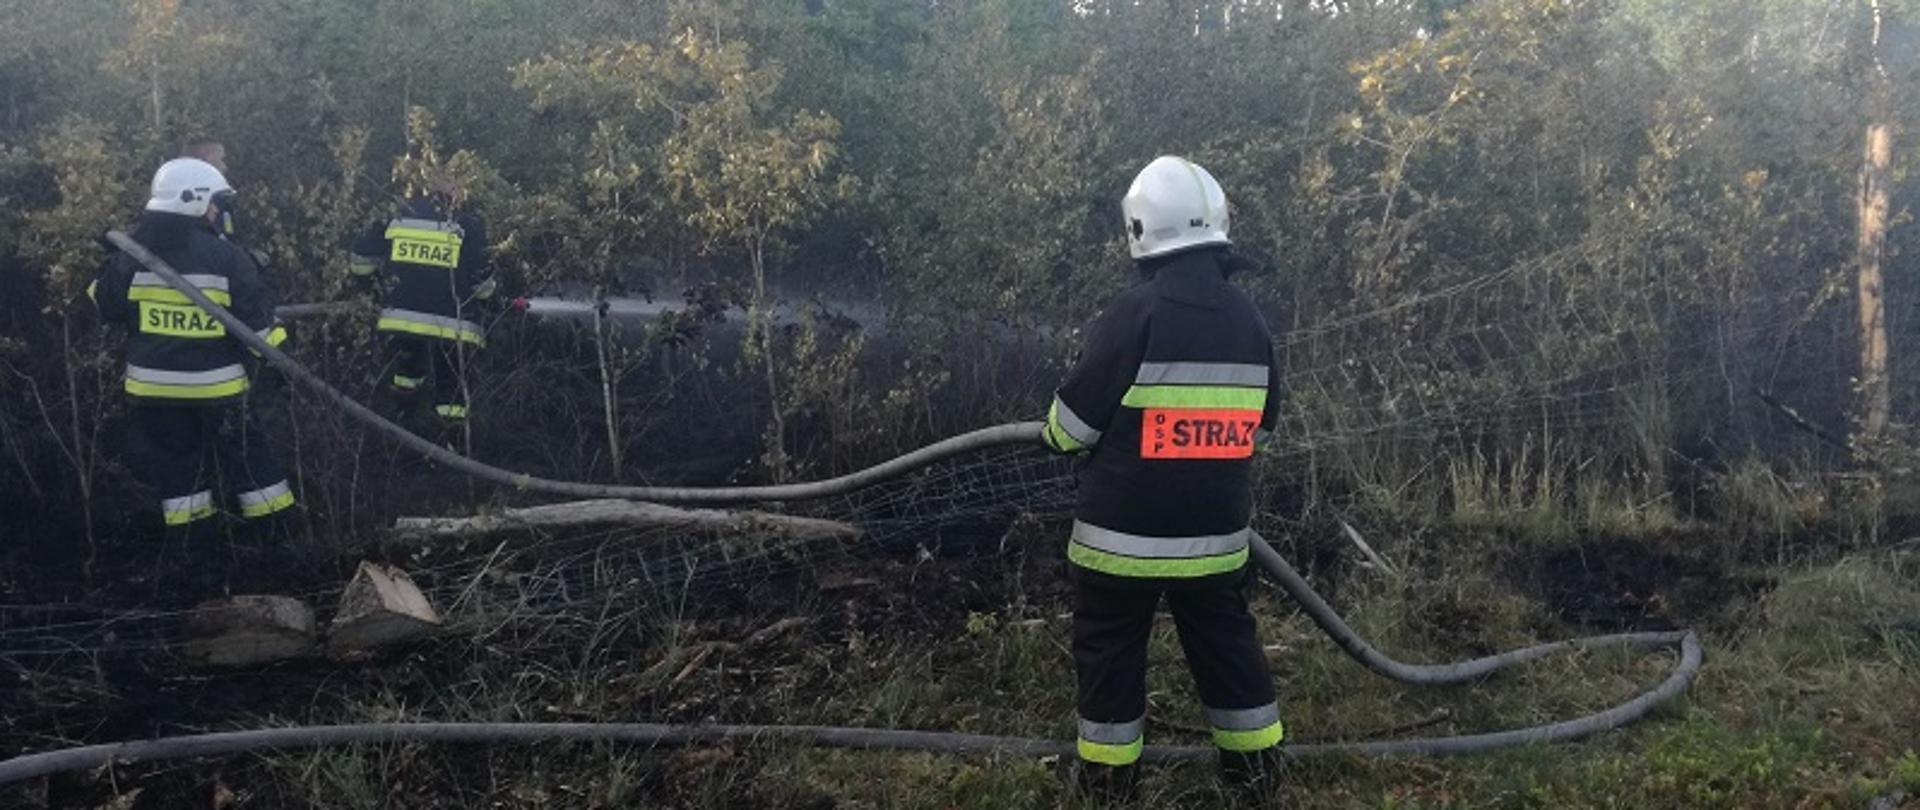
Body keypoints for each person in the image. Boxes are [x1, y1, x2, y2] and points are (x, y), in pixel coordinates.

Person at [1042, 156, 1287, 799]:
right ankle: (1257, 778)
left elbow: (1071, 430)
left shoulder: (1135, 313)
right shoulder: (1251, 321)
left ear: (1141, 231)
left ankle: (1108, 786)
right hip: (1215, 542)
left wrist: (1058, 433)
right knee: (1228, 651)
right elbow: (1259, 429)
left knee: (1110, 655)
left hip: (1118, 543)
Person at [90, 158, 295, 537]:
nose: (220, 212)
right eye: (217, 203)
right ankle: (275, 542)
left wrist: (108, 264)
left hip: (151, 392)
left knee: (179, 471)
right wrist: (281, 365)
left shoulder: (132, 255)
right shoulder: (227, 258)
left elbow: (104, 305)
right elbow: (258, 330)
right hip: (216, 390)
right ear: (197, 202)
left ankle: (195, 551)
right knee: (251, 462)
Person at [347, 174, 494, 423]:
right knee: (452, 396)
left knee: (406, 376)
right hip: (453, 327)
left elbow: (360, 262)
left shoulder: (398, 213)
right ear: (456, 190)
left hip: (401, 320)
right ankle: (452, 450)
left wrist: (373, 292)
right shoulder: (468, 224)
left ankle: (403, 430)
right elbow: (483, 287)